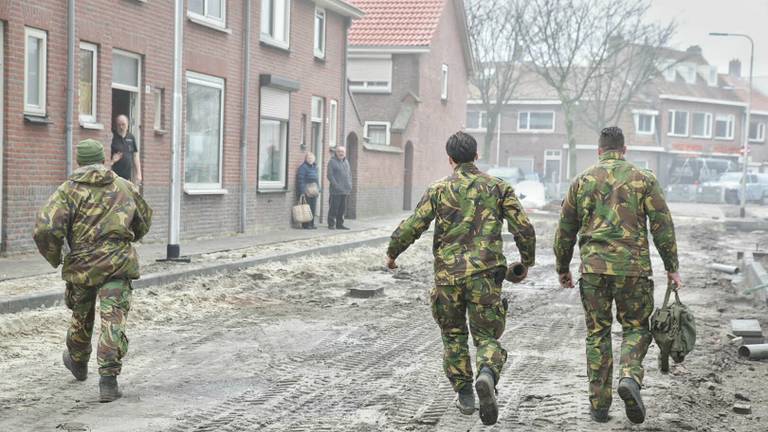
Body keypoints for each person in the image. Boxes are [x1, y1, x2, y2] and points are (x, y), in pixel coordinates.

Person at [386, 132, 536, 426]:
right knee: (487, 337)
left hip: (448, 278)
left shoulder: (439, 190)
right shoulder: (498, 187)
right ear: (476, 156)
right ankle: (487, 375)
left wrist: (393, 253)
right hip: (485, 276)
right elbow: (523, 227)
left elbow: (414, 224)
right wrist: (526, 262)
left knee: (453, 335)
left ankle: (465, 391)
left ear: (450, 159)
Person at [554, 127, 681, 425]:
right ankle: (630, 377)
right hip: (633, 270)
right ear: (625, 150)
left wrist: (563, 268)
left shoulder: (581, 181)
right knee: (636, 328)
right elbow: (662, 225)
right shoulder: (643, 178)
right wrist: (671, 266)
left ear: (599, 151)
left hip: (594, 271)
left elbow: (565, 230)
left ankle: (599, 405)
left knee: (597, 333)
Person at [33, 139, 153, 403]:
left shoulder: (67, 191)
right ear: (103, 159)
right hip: (117, 263)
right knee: (113, 318)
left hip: (83, 263)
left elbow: (45, 228)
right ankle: (108, 381)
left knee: (81, 313)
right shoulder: (124, 186)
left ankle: (77, 361)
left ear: (78, 161)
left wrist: (56, 256)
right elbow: (144, 219)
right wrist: (127, 239)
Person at [111, 114, 142, 185]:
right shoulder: (112, 137)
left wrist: (138, 173)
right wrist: (112, 160)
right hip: (114, 178)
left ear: (128, 125)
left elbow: (135, 155)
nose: (121, 127)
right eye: (119, 125)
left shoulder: (131, 137)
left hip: (127, 177)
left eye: (123, 124)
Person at [327, 146, 353, 230]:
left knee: (342, 209)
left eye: (343, 152)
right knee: (334, 208)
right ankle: (331, 224)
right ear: (336, 152)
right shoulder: (332, 162)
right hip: (336, 190)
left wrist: (350, 184)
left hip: (345, 190)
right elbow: (329, 175)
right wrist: (336, 185)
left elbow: (349, 174)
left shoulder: (346, 162)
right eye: (339, 151)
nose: (341, 153)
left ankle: (339, 224)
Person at [297, 152, 320, 229]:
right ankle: (306, 224)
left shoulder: (315, 167)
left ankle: (312, 224)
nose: (310, 160)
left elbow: (317, 179)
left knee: (313, 207)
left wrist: (319, 188)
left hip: (314, 189)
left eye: (312, 158)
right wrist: (302, 191)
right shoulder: (303, 167)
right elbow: (301, 179)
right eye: (309, 158)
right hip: (306, 189)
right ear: (306, 159)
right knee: (307, 207)